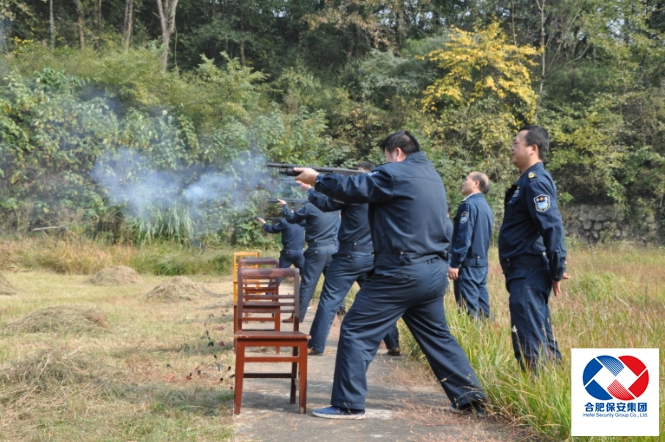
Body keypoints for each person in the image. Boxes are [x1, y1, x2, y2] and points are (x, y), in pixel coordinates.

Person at [295, 131, 486, 419]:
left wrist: (317, 179)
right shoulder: (430, 174)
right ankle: (470, 398)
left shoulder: (396, 174)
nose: (384, 164)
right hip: (431, 271)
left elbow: (356, 186)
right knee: (438, 337)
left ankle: (348, 404)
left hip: (402, 271)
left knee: (355, 329)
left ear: (397, 152)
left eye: (385, 158)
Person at [303, 162, 400, 357]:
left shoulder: (355, 193)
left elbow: (325, 204)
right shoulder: (383, 194)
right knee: (381, 302)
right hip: (374, 256)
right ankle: (393, 344)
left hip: (349, 255)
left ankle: (316, 344)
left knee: (329, 300)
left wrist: (310, 190)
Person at [498, 125, 569, 371]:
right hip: (523, 270)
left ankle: (537, 397)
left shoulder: (535, 182)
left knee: (530, 342)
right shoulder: (525, 182)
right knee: (538, 335)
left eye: (516, 142)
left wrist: (557, 269)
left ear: (533, 148)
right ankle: (552, 387)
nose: (512, 147)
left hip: (528, 271)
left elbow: (552, 227)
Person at [279, 198, 340, 322]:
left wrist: (285, 206)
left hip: (317, 250)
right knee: (334, 284)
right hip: (334, 249)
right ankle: (340, 312)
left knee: (307, 285)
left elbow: (292, 219)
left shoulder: (310, 207)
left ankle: (297, 317)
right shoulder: (336, 206)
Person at [448, 172, 494, 319]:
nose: (463, 182)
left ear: (476, 184)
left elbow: (464, 237)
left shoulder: (468, 205)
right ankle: (488, 337)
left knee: (469, 311)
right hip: (481, 263)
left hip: (467, 264)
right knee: (483, 308)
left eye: (466, 179)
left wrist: (455, 263)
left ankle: (473, 340)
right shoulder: (486, 206)